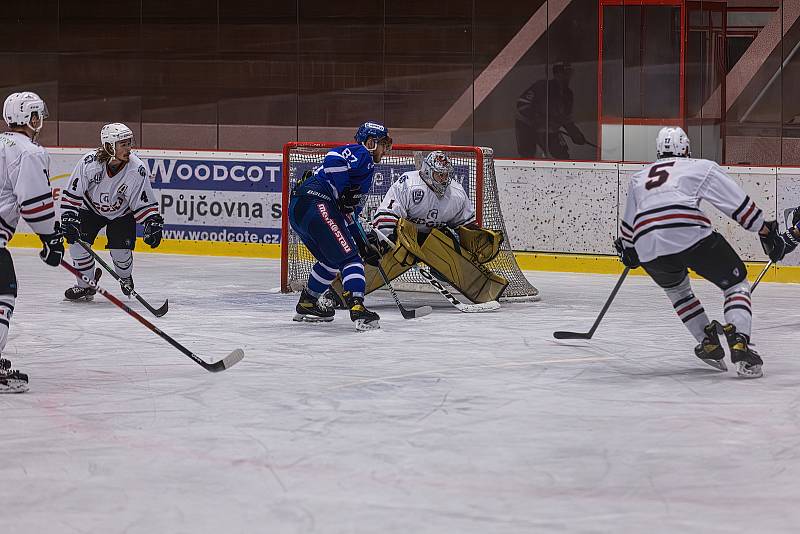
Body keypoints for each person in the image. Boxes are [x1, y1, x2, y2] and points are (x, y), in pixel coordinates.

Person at [614, 126, 785, 379]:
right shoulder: (700, 166)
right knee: (736, 284)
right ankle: (739, 343)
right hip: (689, 233)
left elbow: (628, 228)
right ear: (687, 148)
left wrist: (629, 250)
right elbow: (738, 206)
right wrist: (764, 229)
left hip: (648, 244)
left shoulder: (639, 177)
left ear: (658, 150)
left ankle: (709, 343)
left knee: (678, 291)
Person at [325, 150, 507, 305]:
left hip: (433, 240)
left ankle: (486, 292)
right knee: (379, 258)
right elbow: (387, 214)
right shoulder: (409, 183)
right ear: (428, 171)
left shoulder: (457, 193)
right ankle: (339, 294)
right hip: (403, 237)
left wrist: (473, 239)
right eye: (439, 174)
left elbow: (464, 225)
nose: (443, 180)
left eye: (445, 175)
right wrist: (384, 241)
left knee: (454, 257)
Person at [288, 121, 391, 331]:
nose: (386, 149)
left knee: (330, 260)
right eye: (383, 143)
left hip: (300, 209)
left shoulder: (363, 172)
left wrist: (362, 243)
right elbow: (333, 157)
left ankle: (308, 302)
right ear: (370, 142)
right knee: (350, 259)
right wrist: (343, 191)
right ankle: (358, 308)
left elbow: (348, 213)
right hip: (316, 203)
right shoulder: (362, 154)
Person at [0, 91, 64, 392]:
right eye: (38, 115)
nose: (42, 121)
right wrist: (51, 238)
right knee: (3, 290)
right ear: (30, 118)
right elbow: (35, 205)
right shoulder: (29, 152)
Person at [60, 123, 163, 301]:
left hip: (121, 214)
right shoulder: (89, 163)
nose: (129, 148)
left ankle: (125, 276)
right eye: (123, 144)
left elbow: (142, 199)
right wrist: (69, 218)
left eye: (129, 143)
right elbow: (73, 193)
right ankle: (85, 285)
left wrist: (151, 222)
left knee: (120, 254)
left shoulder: (136, 169)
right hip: (90, 209)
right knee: (77, 245)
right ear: (109, 146)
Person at [515, 61, 586, 159]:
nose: (567, 76)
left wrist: (575, 133)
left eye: (569, 73)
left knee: (562, 154)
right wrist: (537, 118)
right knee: (527, 155)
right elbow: (522, 104)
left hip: (548, 129)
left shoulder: (568, 95)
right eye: (565, 73)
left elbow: (566, 119)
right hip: (526, 126)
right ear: (556, 74)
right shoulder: (541, 86)